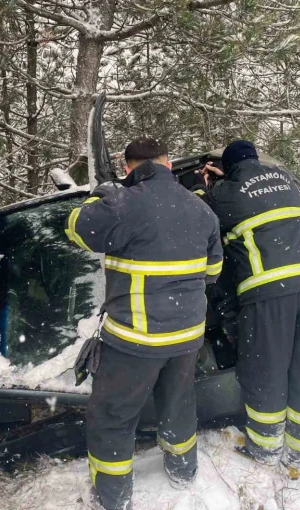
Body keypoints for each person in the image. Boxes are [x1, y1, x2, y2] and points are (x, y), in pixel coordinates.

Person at [65, 137, 223, 510]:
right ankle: (183, 469)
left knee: (113, 416)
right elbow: (214, 272)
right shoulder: (201, 210)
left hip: (135, 338)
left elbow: (75, 228)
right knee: (178, 402)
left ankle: (113, 496)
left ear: (127, 168)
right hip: (187, 336)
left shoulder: (122, 203)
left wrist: (97, 195)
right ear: (168, 165)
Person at [192, 140, 300, 473]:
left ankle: (265, 447)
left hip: (269, 290)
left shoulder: (227, 193)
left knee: (266, 370)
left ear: (226, 167)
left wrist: (201, 185)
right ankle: (299, 452)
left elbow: (198, 214)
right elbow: (257, 193)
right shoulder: (287, 183)